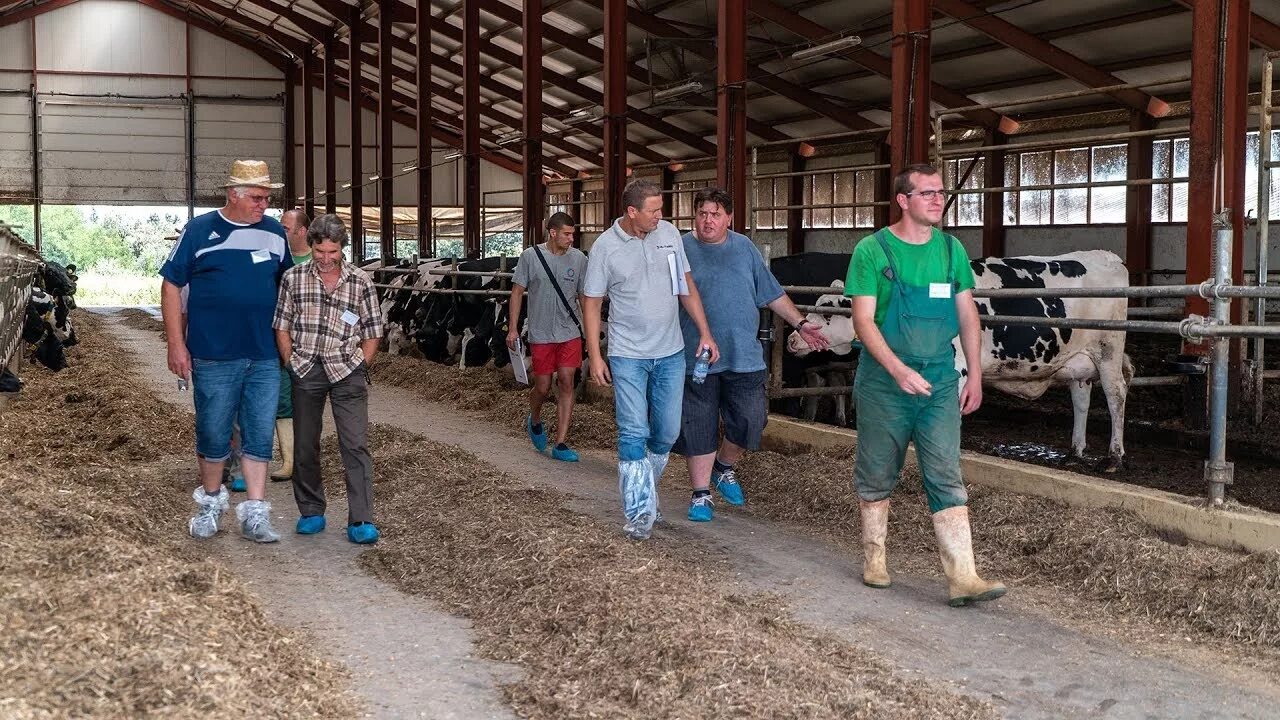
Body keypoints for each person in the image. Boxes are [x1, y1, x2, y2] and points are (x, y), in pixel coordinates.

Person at [846, 163, 1005, 606]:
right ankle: (875, 559)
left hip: (937, 376)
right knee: (878, 469)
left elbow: (968, 314)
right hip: (884, 380)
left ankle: (963, 576)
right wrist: (897, 369)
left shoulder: (952, 250)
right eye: (927, 193)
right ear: (903, 200)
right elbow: (862, 320)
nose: (938, 199)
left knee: (945, 471)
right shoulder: (872, 250)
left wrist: (974, 373)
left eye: (940, 192)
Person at [674, 187, 830, 522]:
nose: (707, 220)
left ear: (729, 218)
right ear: (694, 216)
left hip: (743, 354)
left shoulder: (744, 248)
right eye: (702, 213)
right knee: (698, 424)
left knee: (750, 420)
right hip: (695, 355)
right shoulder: (680, 249)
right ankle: (701, 494)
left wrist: (801, 324)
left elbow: (771, 294)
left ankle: (724, 466)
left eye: (716, 214)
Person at [161, 159, 292, 543]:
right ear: (232, 194)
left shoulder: (274, 233)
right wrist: (175, 343)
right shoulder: (201, 230)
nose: (264, 205)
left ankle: (255, 514)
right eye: (256, 197)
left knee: (257, 432)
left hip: (264, 354)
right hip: (214, 354)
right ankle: (210, 505)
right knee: (214, 431)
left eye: (267, 197)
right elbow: (171, 286)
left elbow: (289, 286)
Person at [583, 179, 720, 540]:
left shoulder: (669, 235)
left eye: (661, 209)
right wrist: (595, 355)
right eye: (653, 210)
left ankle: (645, 490)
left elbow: (684, 284)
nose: (661, 216)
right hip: (627, 354)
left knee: (667, 432)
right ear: (632, 212)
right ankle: (640, 511)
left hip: (671, 351)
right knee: (633, 431)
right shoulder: (605, 249)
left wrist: (704, 332)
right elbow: (592, 302)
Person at [273, 214, 384, 544]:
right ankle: (311, 510)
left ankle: (361, 519)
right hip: (306, 368)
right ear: (311, 246)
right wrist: (290, 361)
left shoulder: (360, 281)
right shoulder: (293, 279)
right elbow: (282, 325)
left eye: (332, 252)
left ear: (342, 249)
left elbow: (373, 330)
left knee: (355, 443)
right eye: (319, 251)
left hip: (347, 369)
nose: (325, 259)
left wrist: (362, 362)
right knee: (306, 443)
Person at [506, 212, 587, 462]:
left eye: (573, 234)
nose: (571, 238)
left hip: (569, 331)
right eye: (567, 234)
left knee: (565, 379)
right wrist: (512, 327)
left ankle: (561, 442)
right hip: (540, 332)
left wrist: (589, 331)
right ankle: (536, 418)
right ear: (553, 233)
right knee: (542, 386)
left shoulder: (579, 259)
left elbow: (584, 296)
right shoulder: (530, 257)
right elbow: (517, 292)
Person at [269, 209, 313, 482]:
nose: (280, 231)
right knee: (284, 399)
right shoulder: (274, 261)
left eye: (285, 227)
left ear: (302, 231)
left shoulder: (321, 257)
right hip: (283, 337)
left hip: (316, 341)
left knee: (310, 398)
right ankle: (289, 461)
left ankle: (307, 457)